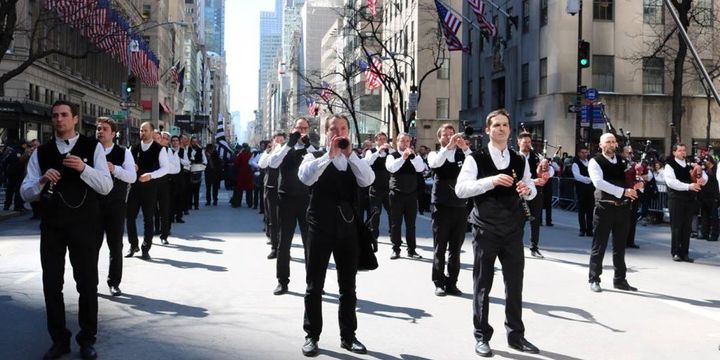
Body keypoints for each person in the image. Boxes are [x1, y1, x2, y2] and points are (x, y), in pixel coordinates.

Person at [21, 100, 113, 360]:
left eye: (64, 115)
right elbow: (25, 194)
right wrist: (41, 180)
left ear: (75, 119)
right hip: (52, 225)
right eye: (55, 116)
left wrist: (83, 168)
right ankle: (59, 339)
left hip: (85, 224)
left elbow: (106, 186)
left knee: (86, 282)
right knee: (52, 283)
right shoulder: (42, 152)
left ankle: (87, 339)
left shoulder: (92, 147)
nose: (59, 119)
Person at [455, 109, 539, 357]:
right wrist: (490, 181)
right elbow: (461, 189)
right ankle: (481, 336)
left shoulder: (519, 159)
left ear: (510, 130)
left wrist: (527, 189)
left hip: (513, 229)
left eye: (505, 125)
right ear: (487, 130)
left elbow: (531, 188)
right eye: (496, 125)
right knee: (483, 284)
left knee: (515, 285)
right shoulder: (475, 158)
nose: (501, 129)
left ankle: (516, 335)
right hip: (486, 229)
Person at [297, 114, 374, 357]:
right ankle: (312, 335)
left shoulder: (354, 158)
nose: (339, 132)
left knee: (348, 287)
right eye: (334, 129)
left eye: (343, 128)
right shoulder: (313, 156)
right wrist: (328, 156)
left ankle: (348, 336)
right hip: (319, 226)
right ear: (326, 132)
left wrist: (351, 155)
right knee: (314, 285)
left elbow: (367, 180)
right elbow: (305, 177)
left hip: (347, 228)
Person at [587, 133, 642, 293]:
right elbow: (599, 183)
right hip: (604, 207)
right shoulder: (595, 161)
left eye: (613, 142)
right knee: (599, 245)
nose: (611, 145)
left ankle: (620, 280)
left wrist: (640, 182)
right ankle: (594, 279)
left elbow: (633, 180)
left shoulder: (623, 161)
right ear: (601, 145)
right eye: (608, 142)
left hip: (623, 208)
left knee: (620, 246)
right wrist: (623, 191)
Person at [268, 117, 316, 295]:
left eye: (305, 128)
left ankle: (313, 282)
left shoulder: (310, 149)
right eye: (299, 128)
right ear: (293, 129)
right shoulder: (284, 147)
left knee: (309, 242)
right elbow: (273, 163)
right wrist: (290, 143)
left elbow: (321, 162)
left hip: (306, 199)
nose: (302, 131)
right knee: (284, 242)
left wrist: (307, 144)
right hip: (286, 199)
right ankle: (282, 281)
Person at [427, 123, 471, 296]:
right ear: (439, 138)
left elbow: (476, 164)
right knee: (440, 247)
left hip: (460, 206)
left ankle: (452, 282)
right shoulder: (435, 154)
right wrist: (448, 147)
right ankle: (438, 282)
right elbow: (435, 163)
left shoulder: (463, 155)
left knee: (455, 249)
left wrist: (464, 148)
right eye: (445, 135)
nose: (449, 137)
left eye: (451, 133)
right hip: (441, 206)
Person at [95, 117, 136, 297]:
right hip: (93, 205)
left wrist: (115, 170)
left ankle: (114, 282)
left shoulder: (123, 152)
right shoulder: (89, 149)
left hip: (115, 205)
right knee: (90, 246)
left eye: (104, 129)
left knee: (115, 245)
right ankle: (91, 282)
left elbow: (132, 177)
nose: (100, 131)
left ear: (113, 133)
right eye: (98, 128)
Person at [125, 122, 169, 260]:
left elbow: (165, 168)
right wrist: (132, 168)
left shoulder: (159, 149)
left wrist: (151, 175)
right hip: (135, 187)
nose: (142, 133)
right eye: (141, 130)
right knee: (130, 216)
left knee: (148, 219)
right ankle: (133, 245)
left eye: (145, 130)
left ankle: (146, 247)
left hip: (150, 188)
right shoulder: (134, 148)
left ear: (152, 132)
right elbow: (127, 165)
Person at [385, 132, 426, 260]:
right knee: (396, 223)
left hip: (411, 194)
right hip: (396, 193)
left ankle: (411, 250)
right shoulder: (392, 156)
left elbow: (420, 168)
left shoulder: (415, 156)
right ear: (397, 142)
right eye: (402, 141)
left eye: (407, 141)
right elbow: (391, 168)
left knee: (411, 224)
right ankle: (395, 249)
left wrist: (412, 157)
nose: (405, 143)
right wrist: (403, 157)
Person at [665, 143, 705, 262]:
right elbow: (671, 182)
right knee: (677, 226)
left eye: (684, 150)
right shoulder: (669, 165)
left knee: (687, 227)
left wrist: (702, 180)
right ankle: (676, 252)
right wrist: (689, 186)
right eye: (680, 150)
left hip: (689, 199)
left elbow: (703, 175)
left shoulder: (689, 164)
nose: (683, 152)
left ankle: (685, 253)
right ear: (674, 152)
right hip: (676, 199)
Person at [517, 132, 554, 258]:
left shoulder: (537, 156)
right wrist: (533, 181)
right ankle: (517, 246)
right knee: (519, 221)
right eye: (524, 142)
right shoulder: (514, 157)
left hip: (536, 192)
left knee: (536, 220)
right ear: (518, 142)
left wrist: (547, 172)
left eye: (529, 142)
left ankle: (534, 247)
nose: (527, 145)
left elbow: (551, 170)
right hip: (519, 193)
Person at [259, 133, 286, 259]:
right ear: (272, 141)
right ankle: (275, 248)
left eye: (282, 140)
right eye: (277, 139)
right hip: (271, 188)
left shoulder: (287, 151)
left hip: (285, 190)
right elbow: (262, 164)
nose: (279, 142)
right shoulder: (268, 151)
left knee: (285, 222)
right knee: (273, 220)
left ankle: (285, 250)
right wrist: (272, 151)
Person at [363, 132, 394, 242]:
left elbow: (397, 160)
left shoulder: (390, 152)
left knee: (392, 212)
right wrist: (378, 151)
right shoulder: (370, 152)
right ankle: (374, 235)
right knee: (375, 213)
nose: (382, 141)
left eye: (384, 139)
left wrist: (390, 150)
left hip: (388, 187)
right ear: (376, 141)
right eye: (380, 139)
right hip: (375, 187)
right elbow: (367, 162)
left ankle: (393, 234)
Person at [152, 131, 173, 245]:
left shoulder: (166, 150)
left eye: (159, 138)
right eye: (154, 138)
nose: (157, 140)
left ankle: (164, 235)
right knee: (151, 210)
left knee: (164, 210)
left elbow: (171, 168)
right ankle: (153, 231)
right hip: (150, 184)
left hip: (163, 183)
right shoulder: (148, 150)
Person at [572, 146, 595, 237]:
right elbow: (577, 177)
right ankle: (582, 229)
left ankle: (590, 229)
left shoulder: (589, 163)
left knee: (590, 210)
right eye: (582, 152)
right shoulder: (576, 164)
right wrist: (589, 179)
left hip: (590, 190)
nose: (584, 154)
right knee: (582, 210)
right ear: (578, 153)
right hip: (581, 189)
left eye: (586, 152)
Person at [699, 156, 719, 241]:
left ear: (710, 161)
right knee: (704, 216)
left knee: (714, 216)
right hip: (704, 196)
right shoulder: (704, 170)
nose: (705, 162)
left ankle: (714, 234)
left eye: (706, 160)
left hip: (713, 196)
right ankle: (704, 233)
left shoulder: (716, 169)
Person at [171, 135, 188, 223]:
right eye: (173, 140)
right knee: (171, 197)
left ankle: (179, 216)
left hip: (180, 176)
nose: (175, 142)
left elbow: (187, 162)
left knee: (179, 197)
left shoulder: (182, 151)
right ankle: (171, 216)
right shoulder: (168, 150)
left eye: (176, 140)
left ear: (179, 142)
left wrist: (179, 159)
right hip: (171, 176)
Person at [188, 137, 207, 210]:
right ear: (191, 142)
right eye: (193, 142)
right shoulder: (187, 149)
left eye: (196, 142)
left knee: (196, 189)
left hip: (198, 171)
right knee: (190, 190)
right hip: (190, 171)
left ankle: (196, 205)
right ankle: (189, 205)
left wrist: (202, 167)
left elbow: (205, 161)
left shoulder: (201, 150)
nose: (194, 143)